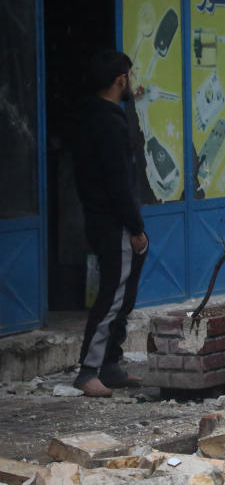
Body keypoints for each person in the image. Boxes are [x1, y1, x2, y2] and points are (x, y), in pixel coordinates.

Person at [72, 49, 149, 397]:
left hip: (104, 218)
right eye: (129, 77)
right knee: (113, 296)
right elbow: (118, 182)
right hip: (114, 222)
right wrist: (134, 227)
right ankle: (88, 371)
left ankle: (111, 366)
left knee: (124, 294)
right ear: (122, 79)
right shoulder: (108, 122)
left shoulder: (92, 116)